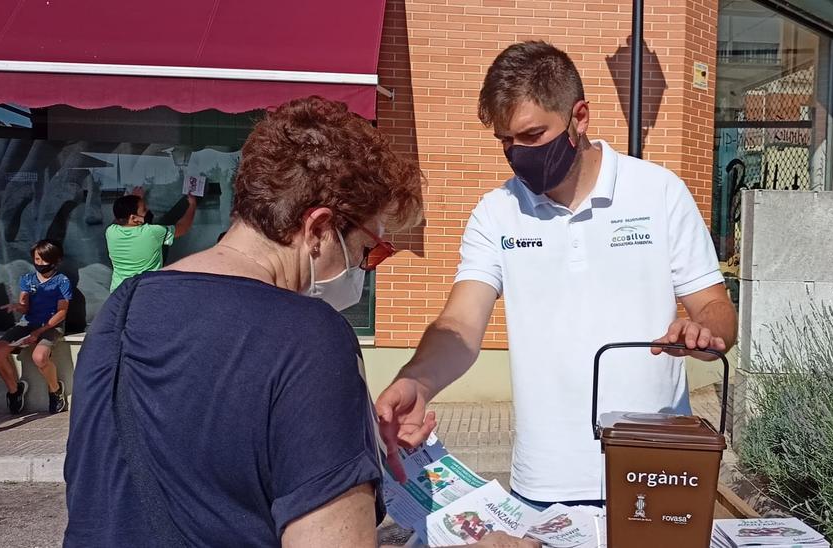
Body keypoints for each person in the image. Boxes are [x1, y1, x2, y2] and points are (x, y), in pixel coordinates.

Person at [64, 97, 538, 548]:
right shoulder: (311, 339)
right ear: (317, 229)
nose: (365, 268)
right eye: (368, 248)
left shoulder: (121, 310)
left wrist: (338, 435)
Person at [376, 41, 738, 509]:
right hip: (542, 490)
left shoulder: (658, 192)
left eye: (531, 136)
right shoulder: (497, 213)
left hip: (656, 470)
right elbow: (461, 323)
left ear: (579, 117)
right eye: (506, 141)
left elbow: (716, 310)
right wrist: (417, 381)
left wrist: (702, 331)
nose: (517, 153)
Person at [0, 240, 71, 415]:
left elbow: (62, 312)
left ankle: (55, 390)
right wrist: (18, 307)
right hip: (27, 324)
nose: (39, 263)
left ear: (55, 260)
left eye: (44, 259)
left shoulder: (62, 281)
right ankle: (14, 390)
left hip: (51, 326)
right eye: (37, 259)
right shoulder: (27, 279)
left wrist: (38, 332)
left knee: (40, 357)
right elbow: (24, 305)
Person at [105, 185, 198, 291]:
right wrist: (192, 205)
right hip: (146, 291)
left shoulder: (110, 232)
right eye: (144, 209)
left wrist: (133, 200)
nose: (147, 209)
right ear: (133, 218)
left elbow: (119, 218)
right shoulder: (152, 232)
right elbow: (183, 227)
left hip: (119, 291)